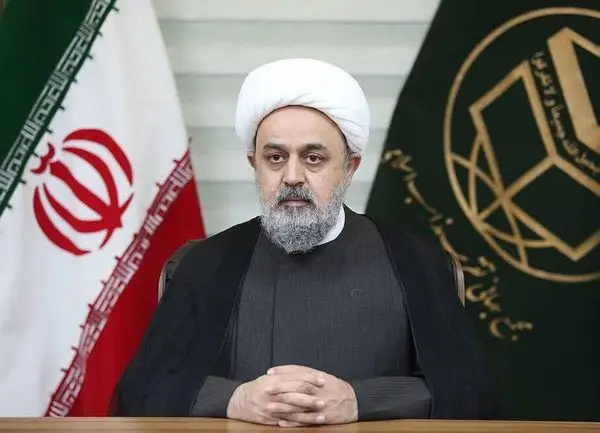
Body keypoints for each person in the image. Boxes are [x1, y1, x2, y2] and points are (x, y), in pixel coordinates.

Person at [110, 58, 497, 426]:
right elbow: (143, 390)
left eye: (313, 158)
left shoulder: (414, 262)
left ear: (350, 167)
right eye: (275, 158)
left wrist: (360, 401)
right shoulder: (206, 263)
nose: (292, 176)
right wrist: (234, 400)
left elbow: (471, 394)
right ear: (254, 164)